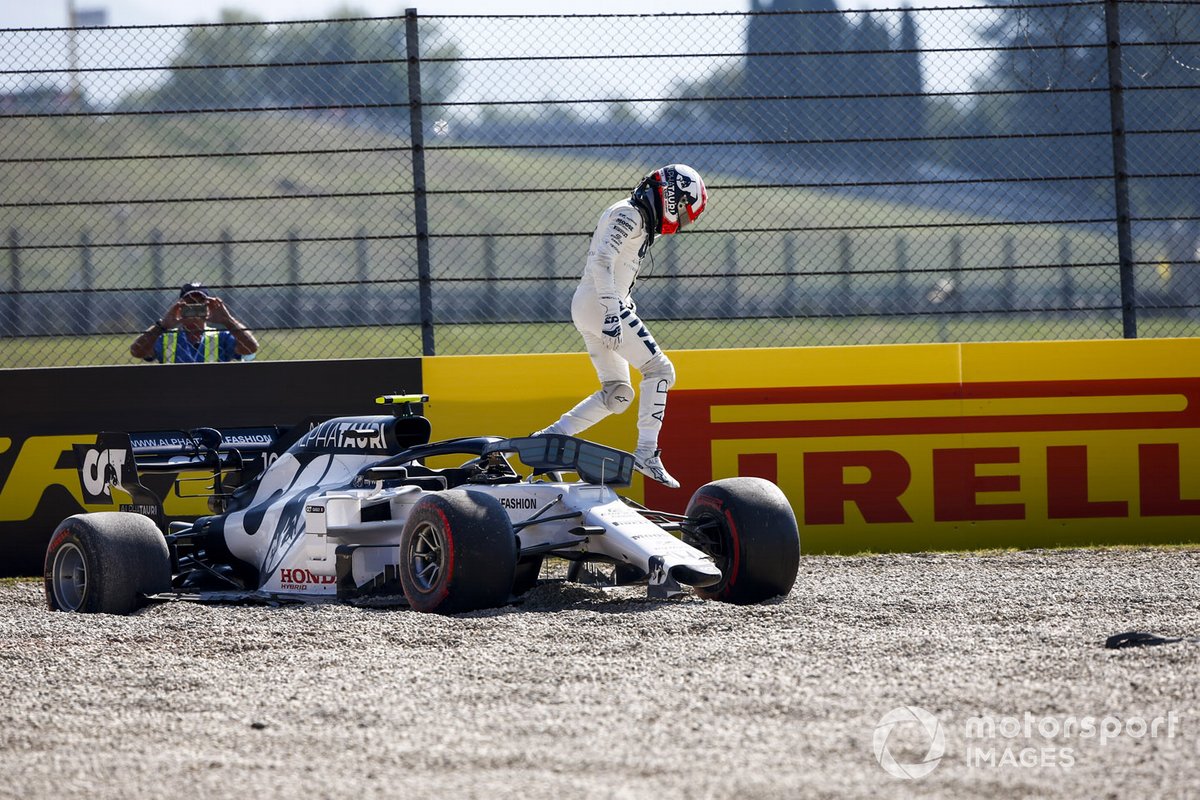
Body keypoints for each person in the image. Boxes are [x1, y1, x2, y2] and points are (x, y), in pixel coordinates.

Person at [534, 164, 708, 488]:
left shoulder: (637, 217)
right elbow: (602, 261)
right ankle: (646, 452)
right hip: (601, 304)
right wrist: (613, 313)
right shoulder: (629, 214)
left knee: (617, 395)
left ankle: (548, 439)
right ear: (671, 194)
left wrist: (618, 308)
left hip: (594, 305)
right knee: (660, 370)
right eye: (682, 211)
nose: (679, 222)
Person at [130, 282, 259, 363]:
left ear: (208, 308)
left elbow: (251, 348)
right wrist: (162, 326)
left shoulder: (222, 337)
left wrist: (228, 320)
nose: (195, 307)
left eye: (200, 303)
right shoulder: (164, 337)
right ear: (180, 307)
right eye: (190, 303)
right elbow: (137, 351)